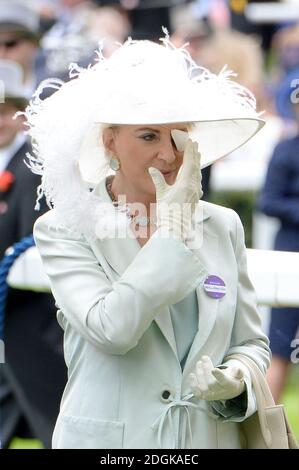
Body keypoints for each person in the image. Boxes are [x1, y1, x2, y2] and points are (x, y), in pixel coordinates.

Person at [27, 33, 270, 449]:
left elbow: (250, 342)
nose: (168, 155)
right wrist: (172, 232)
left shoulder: (222, 224)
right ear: (110, 142)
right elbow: (112, 329)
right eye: (148, 136)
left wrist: (236, 380)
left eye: (178, 136)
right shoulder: (65, 228)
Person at [0, 59, 67, 448]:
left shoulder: (32, 169)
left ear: (21, 117)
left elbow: (34, 242)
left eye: (6, 112)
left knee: (52, 419)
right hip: (8, 317)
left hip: (29, 321)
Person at [258, 86, 299, 404]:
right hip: (290, 252)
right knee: (280, 345)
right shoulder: (286, 150)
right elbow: (268, 201)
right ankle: (268, 430)